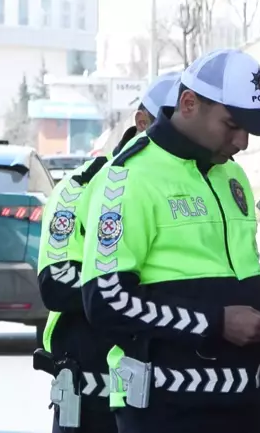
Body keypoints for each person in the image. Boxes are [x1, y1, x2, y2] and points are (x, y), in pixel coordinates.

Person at [79, 49, 260, 433]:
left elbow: (237, 273)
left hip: (245, 401)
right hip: (163, 408)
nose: (243, 142)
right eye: (232, 124)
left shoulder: (231, 177)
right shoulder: (126, 180)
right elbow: (104, 300)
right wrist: (215, 323)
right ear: (188, 104)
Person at [36, 71, 181, 433]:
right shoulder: (80, 188)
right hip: (91, 394)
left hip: (179, 394)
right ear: (142, 121)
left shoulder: (207, 188)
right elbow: (57, 284)